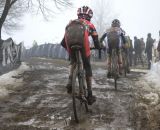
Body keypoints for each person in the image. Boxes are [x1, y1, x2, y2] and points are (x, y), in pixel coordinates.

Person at [61, 6, 100, 105]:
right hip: (83, 44)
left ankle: (70, 81)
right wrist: (98, 47)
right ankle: (90, 94)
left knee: (73, 62)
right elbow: (96, 40)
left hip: (70, 43)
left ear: (78, 15)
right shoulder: (90, 24)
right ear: (89, 16)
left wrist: (71, 53)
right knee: (87, 66)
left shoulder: (71, 23)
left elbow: (62, 42)